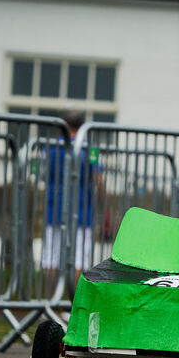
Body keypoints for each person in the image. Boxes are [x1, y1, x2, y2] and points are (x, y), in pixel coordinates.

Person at [42, 110, 103, 292]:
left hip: (54, 209)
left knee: (51, 259)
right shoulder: (88, 149)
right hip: (82, 210)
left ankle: (49, 305)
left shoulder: (51, 147)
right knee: (78, 260)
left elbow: (43, 176)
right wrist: (103, 203)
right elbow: (98, 179)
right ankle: (73, 308)